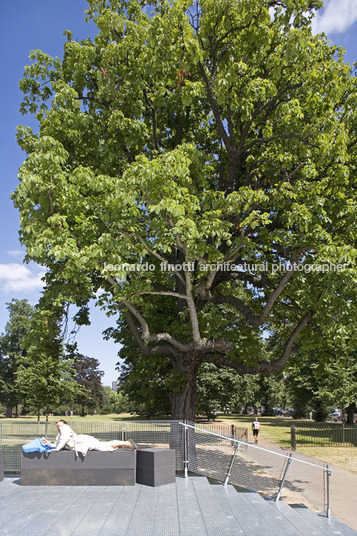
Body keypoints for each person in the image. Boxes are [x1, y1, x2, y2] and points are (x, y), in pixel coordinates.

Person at [41, 419, 137, 456]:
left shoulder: (65, 429)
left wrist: (57, 449)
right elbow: (59, 443)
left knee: (105, 447)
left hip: (85, 442)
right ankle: (125, 443)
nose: (59, 427)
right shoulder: (60, 433)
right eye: (57, 425)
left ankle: (127, 443)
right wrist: (49, 444)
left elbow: (64, 440)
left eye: (60, 425)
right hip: (84, 442)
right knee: (105, 445)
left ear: (64, 424)